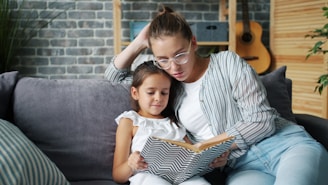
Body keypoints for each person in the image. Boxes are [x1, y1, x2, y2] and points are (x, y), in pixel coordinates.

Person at [106, 6, 328, 185]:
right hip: (242, 167)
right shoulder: (168, 86)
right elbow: (114, 77)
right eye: (163, 59)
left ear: (193, 42)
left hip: (285, 145)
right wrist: (139, 42)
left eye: (180, 54)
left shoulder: (227, 62)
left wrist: (206, 147)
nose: (173, 66)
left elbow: (262, 122)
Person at [112, 61, 211, 185]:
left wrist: (210, 159)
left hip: (181, 178)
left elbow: (193, 155)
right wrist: (130, 164)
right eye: (151, 92)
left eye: (164, 93)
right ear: (135, 93)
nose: (158, 98)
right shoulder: (130, 121)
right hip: (148, 177)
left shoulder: (174, 123)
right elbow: (117, 175)